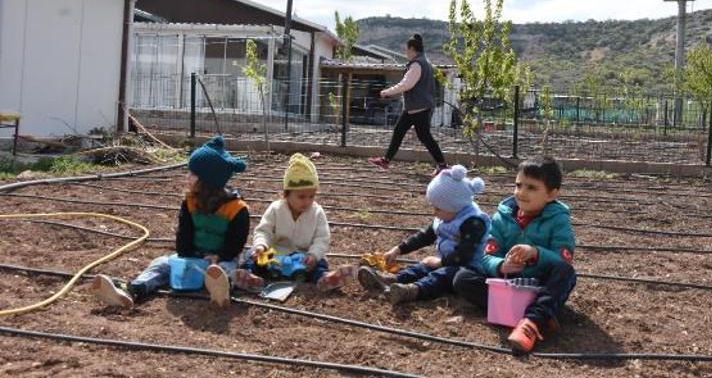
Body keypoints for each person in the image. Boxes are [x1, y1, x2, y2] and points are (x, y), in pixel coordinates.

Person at [91, 136, 256, 309]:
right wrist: (188, 254)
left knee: (224, 269)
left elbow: (236, 242)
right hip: (194, 256)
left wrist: (219, 256)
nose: (188, 177)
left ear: (208, 180)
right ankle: (133, 290)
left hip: (222, 257)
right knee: (162, 263)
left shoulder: (237, 209)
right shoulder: (190, 202)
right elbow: (184, 233)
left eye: (193, 174)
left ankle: (221, 291)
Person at [452, 156, 576, 354]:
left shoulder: (558, 221)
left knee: (566, 273)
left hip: (539, 284)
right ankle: (540, 313)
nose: (521, 192)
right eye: (518, 185)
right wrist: (501, 265)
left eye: (532, 188)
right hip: (508, 283)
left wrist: (536, 253)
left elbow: (563, 259)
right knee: (463, 278)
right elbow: (487, 256)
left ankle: (531, 322)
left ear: (552, 194)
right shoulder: (503, 216)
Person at [357, 164, 489, 305]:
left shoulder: (474, 222)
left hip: (468, 269)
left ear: (455, 207)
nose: (434, 212)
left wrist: (439, 262)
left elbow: (463, 255)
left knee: (441, 275)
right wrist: (399, 249)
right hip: (448, 261)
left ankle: (413, 290)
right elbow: (425, 236)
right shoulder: (447, 215)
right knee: (421, 267)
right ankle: (393, 279)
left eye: (438, 208)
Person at [240, 153, 355, 292]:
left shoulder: (317, 212)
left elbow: (322, 238)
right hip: (276, 256)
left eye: (311, 196)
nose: (307, 201)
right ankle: (249, 277)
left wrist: (313, 255)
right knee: (252, 255)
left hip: (303, 259)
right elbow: (264, 230)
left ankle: (324, 279)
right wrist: (261, 246)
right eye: (301, 197)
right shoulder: (276, 208)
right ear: (287, 193)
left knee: (320, 262)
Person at [368, 33, 447, 175]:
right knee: (400, 131)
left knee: (424, 136)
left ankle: (442, 165)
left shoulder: (417, 64)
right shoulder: (425, 62)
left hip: (419, 107)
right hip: (415, 107)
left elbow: (407, 84)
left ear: (412, 48)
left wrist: (387, 92)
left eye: (406, 49)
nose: (405, 52)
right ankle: (386, 160)